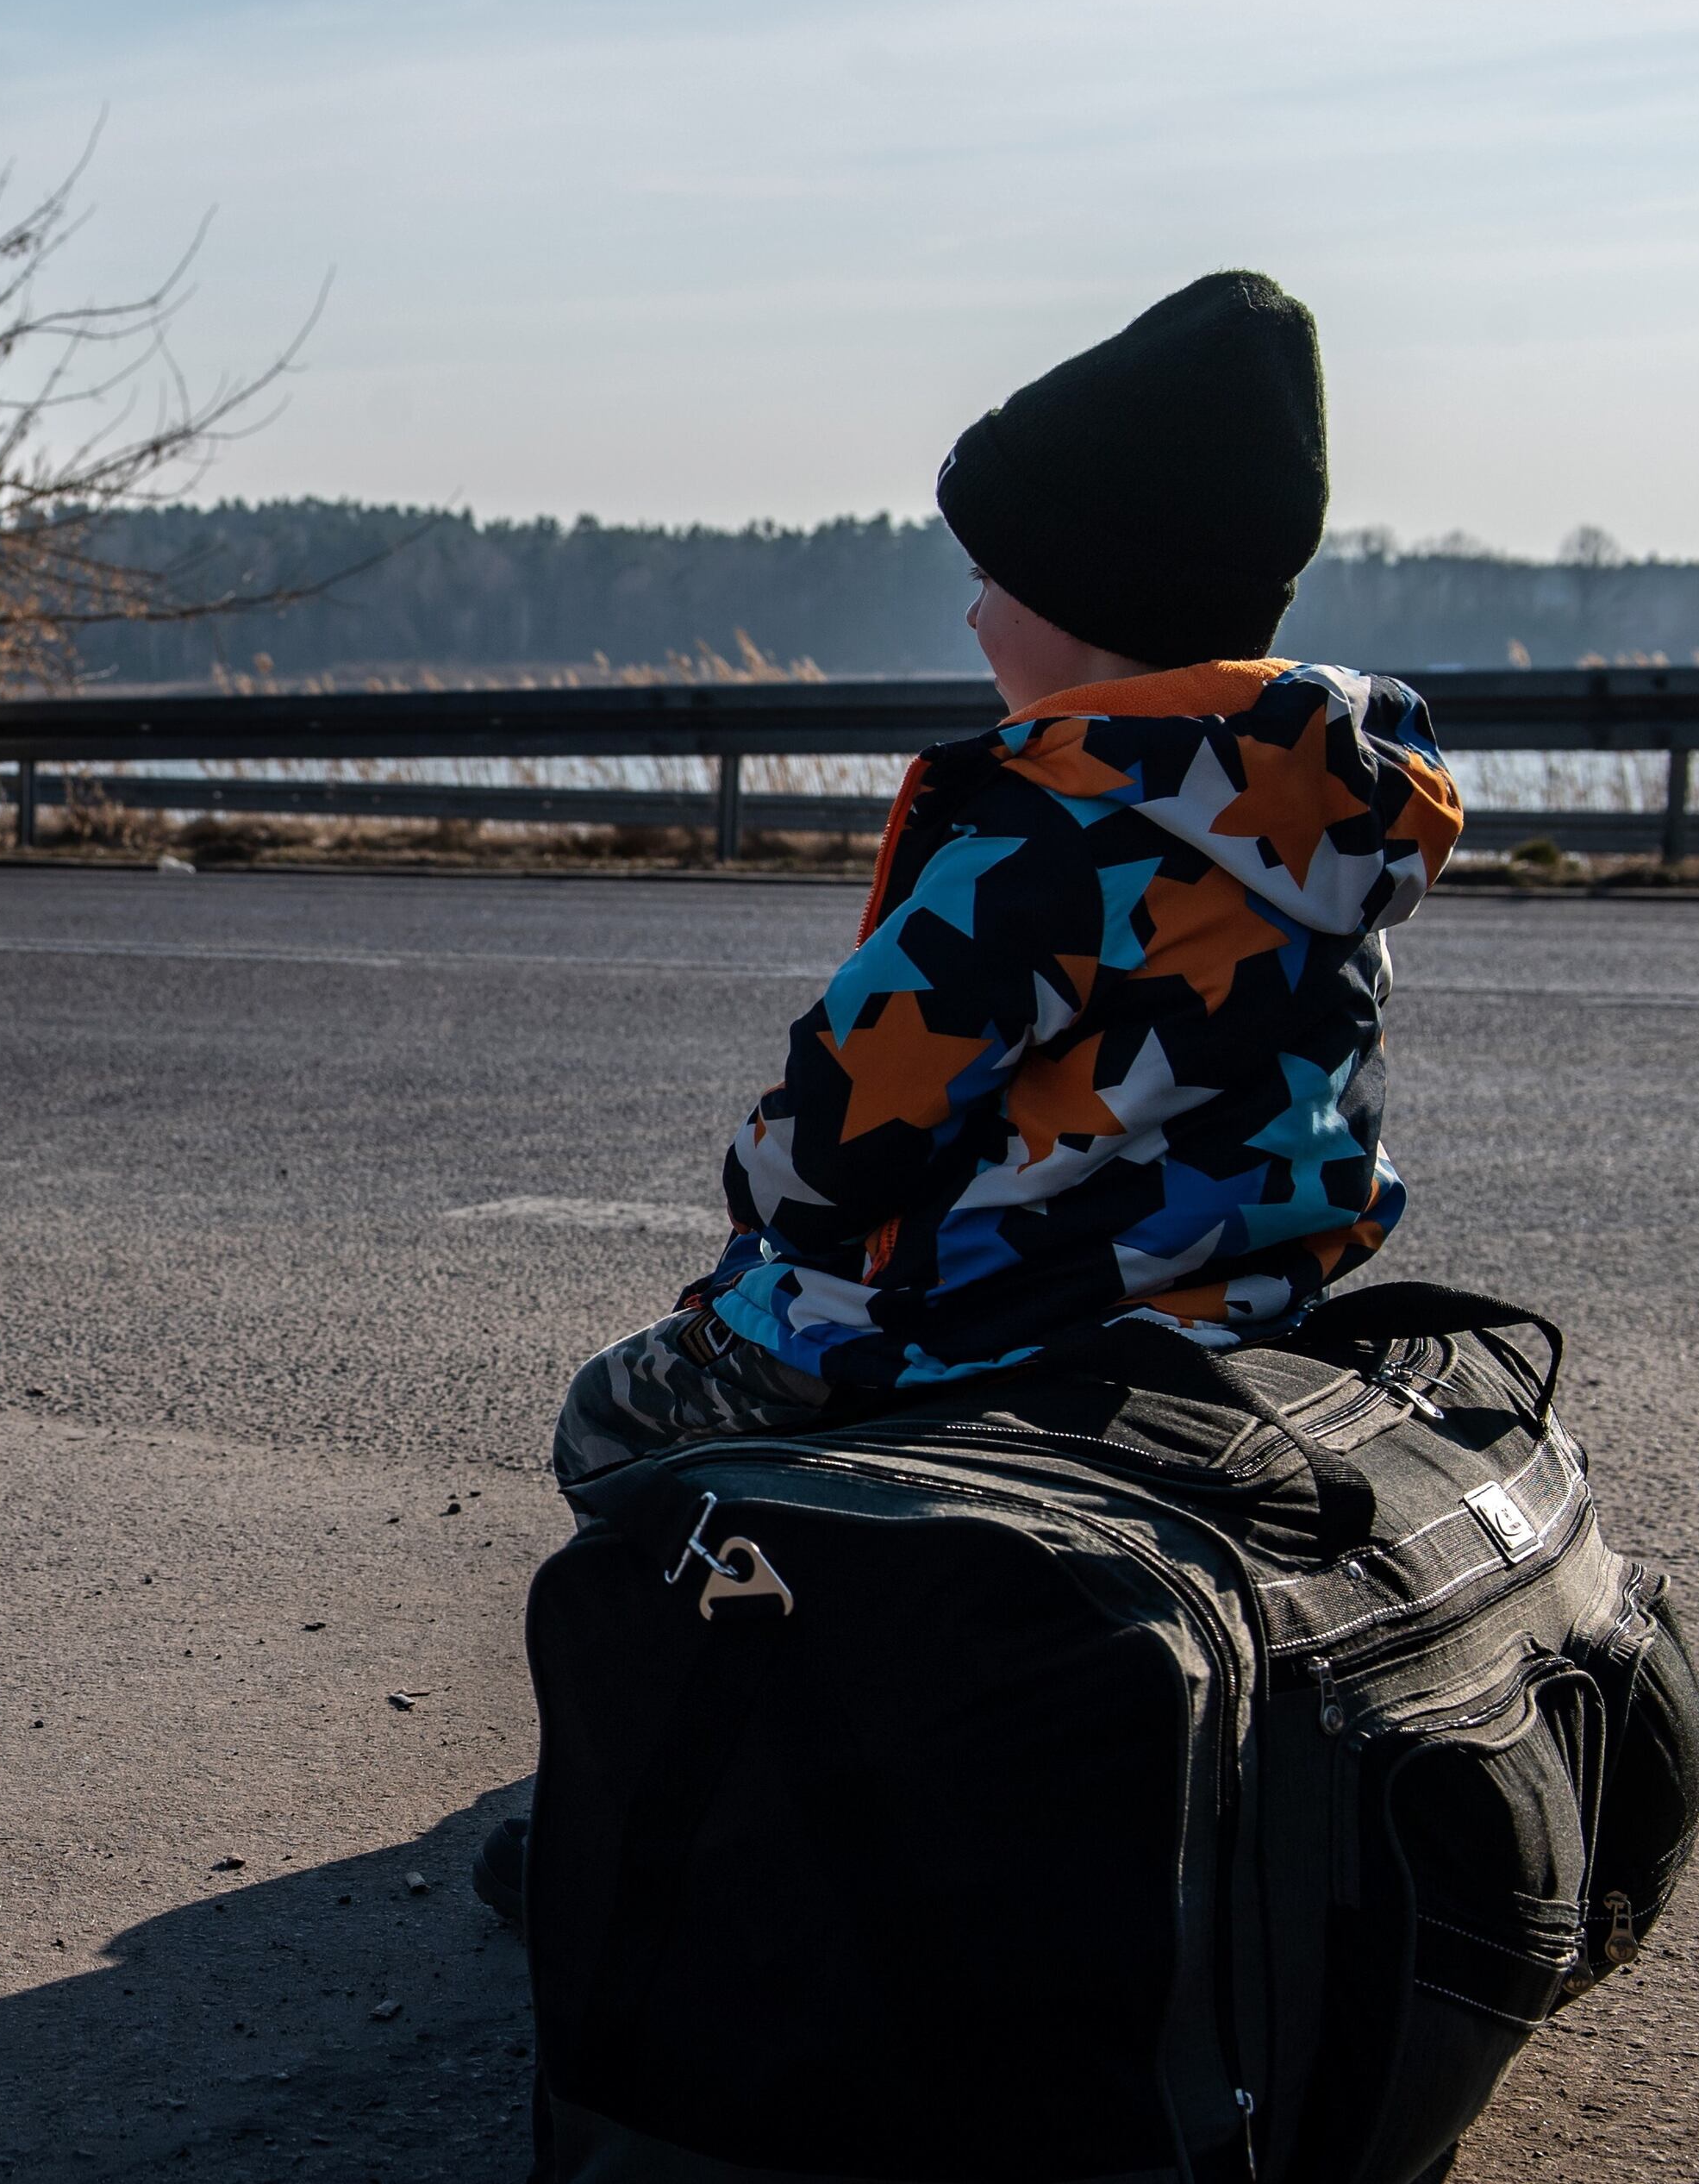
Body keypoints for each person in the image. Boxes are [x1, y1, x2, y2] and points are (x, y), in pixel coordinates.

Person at [548, 270, 1469, 1494]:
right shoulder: (1323, 818)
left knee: (616, 1415)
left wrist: (764, 1199)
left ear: (1080, 604)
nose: (975, 612)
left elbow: (847, 1128)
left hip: (996, 1324)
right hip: (1245, 1303)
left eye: (992, 579)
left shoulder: (1048, 834)